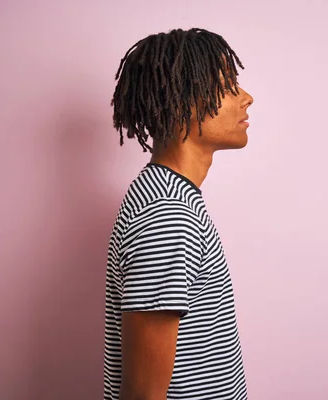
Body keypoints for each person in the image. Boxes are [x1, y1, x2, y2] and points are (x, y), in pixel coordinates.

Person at [104, 28, 254, 400]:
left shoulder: (169, 197)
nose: (247, 98)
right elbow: (143, 394)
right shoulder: (166, 214)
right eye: (229, 85)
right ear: (185, 101)